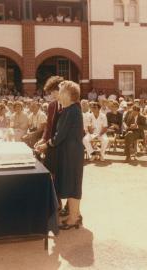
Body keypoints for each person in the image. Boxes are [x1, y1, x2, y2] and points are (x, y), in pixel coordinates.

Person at [36, 81, 84, 230]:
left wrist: (46, 144)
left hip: (71, 153)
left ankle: (73, 219)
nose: (59, 95)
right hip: (71, 152)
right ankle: (73, 216)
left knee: (73, 185)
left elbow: (59, 135)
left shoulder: (71, 110)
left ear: (69, 95)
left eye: (62, 92)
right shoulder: (71, 109)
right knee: (72, 184)